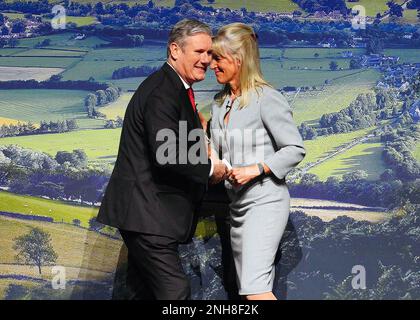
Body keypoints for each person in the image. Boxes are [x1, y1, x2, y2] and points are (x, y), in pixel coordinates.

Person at [97, 19, 228, 300]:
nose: (206, 60)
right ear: (175, 50)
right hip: (148, 216)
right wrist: (211, 169)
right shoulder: (162, 92)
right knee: (175, 292)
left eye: (209, 53)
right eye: (199, 52)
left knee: (137, 293)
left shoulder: (174, 88)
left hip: (149, 215)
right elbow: (167, 154)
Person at [208, 23, 306, 300]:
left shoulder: (267, 99)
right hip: (236, 207)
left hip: (265, 204)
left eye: (218, 58)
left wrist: (256, 169)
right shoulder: (219, 104)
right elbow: (218, 156)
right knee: (250, 289)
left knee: (255, 290)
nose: (211, 64)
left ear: (238, 60)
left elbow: (295, 149)